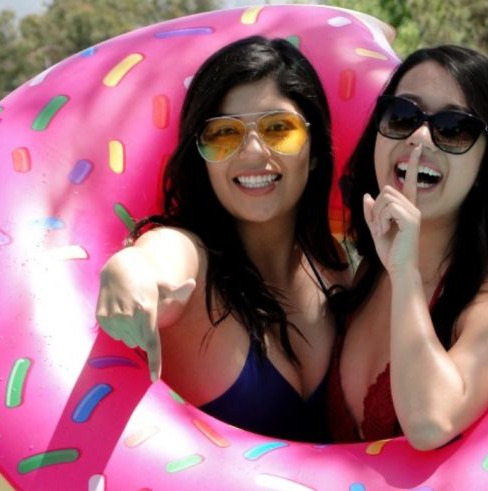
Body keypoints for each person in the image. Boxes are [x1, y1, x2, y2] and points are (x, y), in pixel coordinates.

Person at [96, 37, 348, 443]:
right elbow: (155, 261)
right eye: (224, 133)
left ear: (315, 150)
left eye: (278, 129)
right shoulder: (193, 265)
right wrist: (126, 271)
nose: (251, 151)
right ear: (202, 157)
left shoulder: (332, 264)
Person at [328, 45, 488, 450]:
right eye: (403, 116)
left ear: (486, 165)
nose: (420, 137)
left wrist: (405, 273)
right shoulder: (366, 273)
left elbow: (430, 423)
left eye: (454, 128)